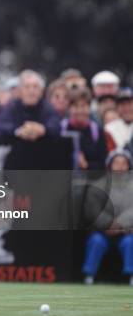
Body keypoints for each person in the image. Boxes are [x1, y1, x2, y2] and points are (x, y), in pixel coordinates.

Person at [82, 149, 133, 286]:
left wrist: (121, 224)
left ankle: (131, 276)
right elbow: (92, 210)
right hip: (103, 232)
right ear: (109, 165)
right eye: (116, 163)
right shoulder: (97, 185)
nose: (120, 167)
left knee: (130, 243)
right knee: (96, 241)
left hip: (127, 232)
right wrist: (108, 223)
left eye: (124, 163)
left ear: (129, 166)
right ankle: (89, 275)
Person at [0, 70, 60, 141]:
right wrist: (18, 131)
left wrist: (43, 130)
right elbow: (0, 126)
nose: (31, 91)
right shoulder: (11, 106)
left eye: (35, 87)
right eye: (27, 87)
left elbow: (56, 125)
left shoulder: (48, 107)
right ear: (20, 91)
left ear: (41, 91)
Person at [60, 88, 107, 170]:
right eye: (75, 106)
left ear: (89, 108)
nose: (80, 111)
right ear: (69, 108)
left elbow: (103, 163)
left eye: (83, 106)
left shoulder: (97, 131)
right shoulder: (61, 128)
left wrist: (86, 165)